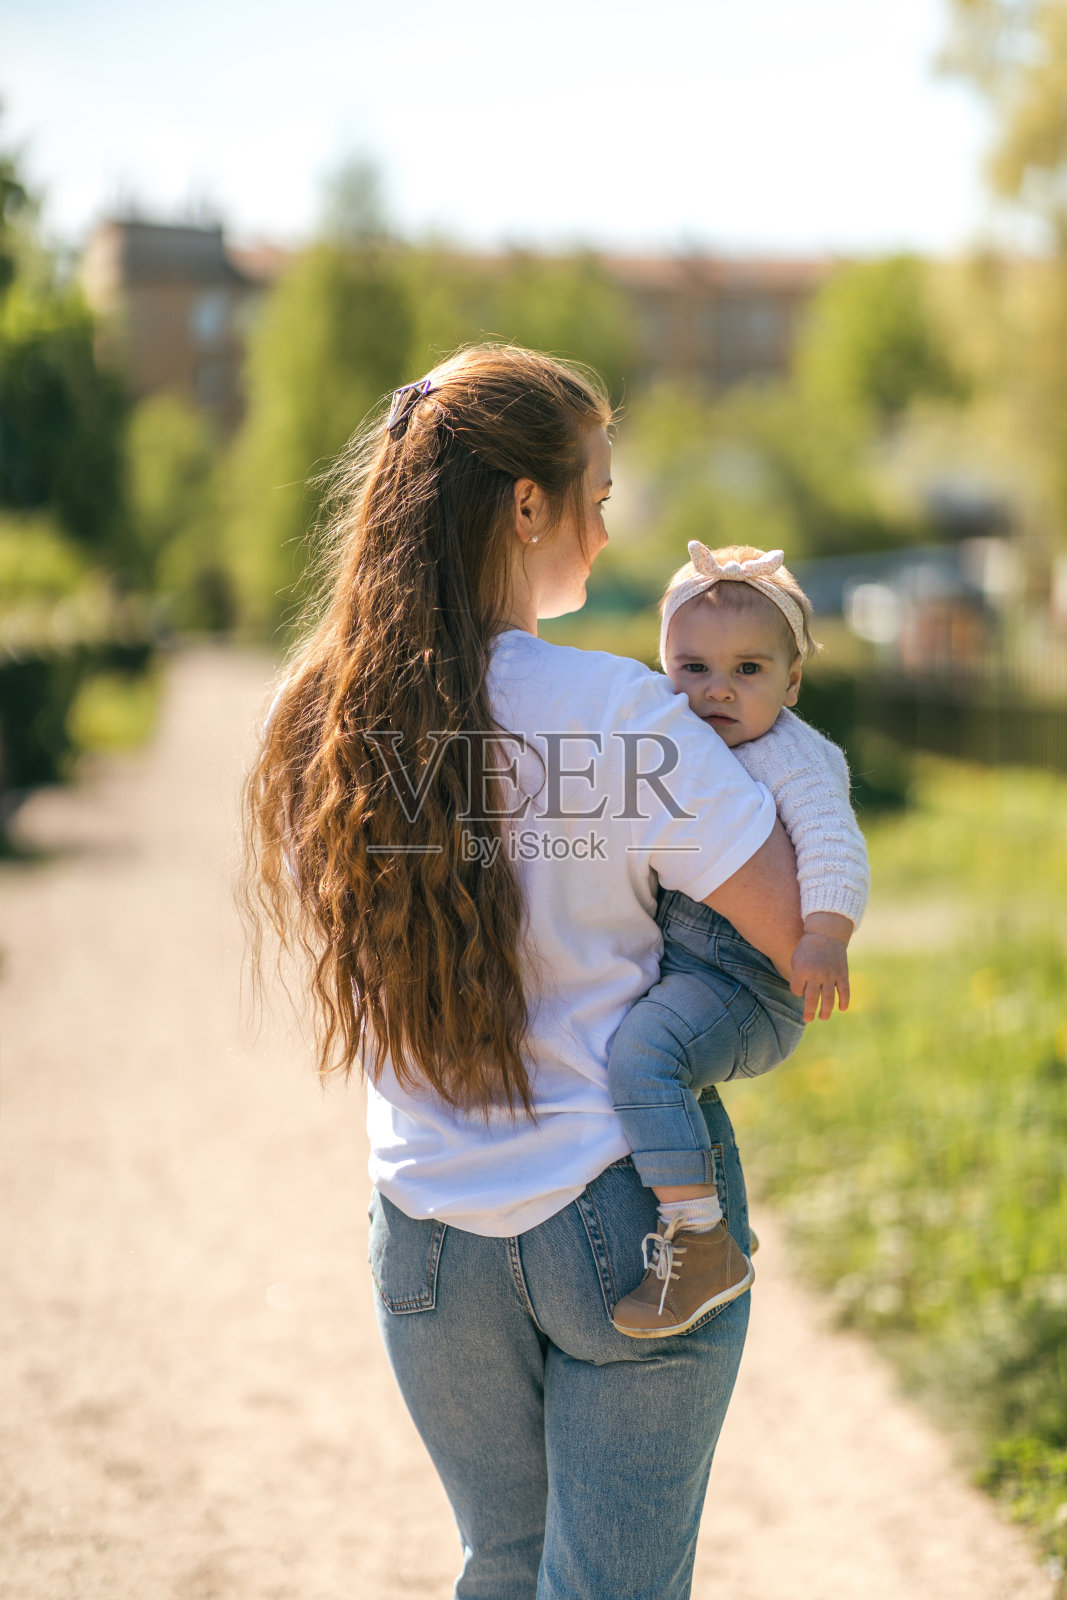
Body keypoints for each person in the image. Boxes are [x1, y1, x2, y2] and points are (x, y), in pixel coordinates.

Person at [244, 345, 803, 1600]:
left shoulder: (316, 721)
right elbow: (790, 918)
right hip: (623, 1222)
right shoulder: (622, 713)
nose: (605, 538)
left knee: (502, 1568)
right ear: (525, 505)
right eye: (595, 498)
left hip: (426, 1240)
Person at [608, 542, 870, 1339]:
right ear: (662, 666)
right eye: (691, 668)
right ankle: (720, 1216)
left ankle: (699, 1242)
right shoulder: (676, 739)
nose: (716, 689)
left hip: (749, 983)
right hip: (693, 966)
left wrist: (822, 935)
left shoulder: (792, 755)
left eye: (748, 670)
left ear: (790, 683)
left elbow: (832, 843)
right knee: (661, 1063)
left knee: (642, 1057)